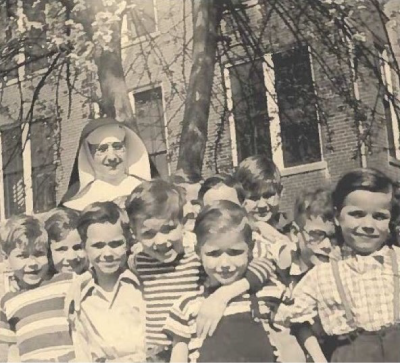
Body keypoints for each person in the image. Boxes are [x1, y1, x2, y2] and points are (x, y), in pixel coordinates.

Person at [125, 179, 275, 362]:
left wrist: (224, 295)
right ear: (134, 234)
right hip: (155, 353)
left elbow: (265, 264)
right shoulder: (138, 262)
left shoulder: (198, 256)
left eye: (168, 229)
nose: (160, 241)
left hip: (193, 345)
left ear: (183, 222)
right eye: (148, 234)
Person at [277, 168, 400, 362]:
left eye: (379, 216)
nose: (368, 224)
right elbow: (294, 318)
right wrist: (319, 359)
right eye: (357, 214)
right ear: (337, 217)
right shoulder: (323, 274)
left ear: (390, 219)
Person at [164, 200, 277, 362]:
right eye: (214, 254)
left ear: (250, 249)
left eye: (235, 252)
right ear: (198, 252)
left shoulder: (268, 292)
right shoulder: (187, 306)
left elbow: (289, 343)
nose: (225, 264)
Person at [66, 201, 146, 362]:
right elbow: (82, 352)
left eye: (116, 244)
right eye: (98, 245)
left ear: (127, 243)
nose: (107, 253)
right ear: (84, 247)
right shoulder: (79, 298)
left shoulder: (143, 280)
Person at [0, 215, 75, 362]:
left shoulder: (65, 282)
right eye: (22, 256)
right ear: (6, 258)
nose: (32, 263)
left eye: (39, 254)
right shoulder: (7, 302)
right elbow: (5, 350)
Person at [61, 117, 152, 211]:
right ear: (88, 154)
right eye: (102, 149)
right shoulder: (76, 204)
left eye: (117, 147)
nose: (112, 157)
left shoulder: (147, 190)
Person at [44, 207, 88, 275]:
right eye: (61, 249)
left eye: (78, 247)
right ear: (48, 253)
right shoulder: (43, 284)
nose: (71, 257)